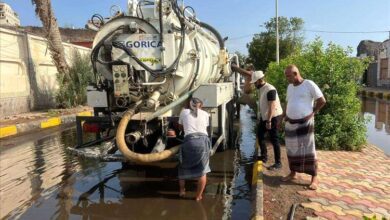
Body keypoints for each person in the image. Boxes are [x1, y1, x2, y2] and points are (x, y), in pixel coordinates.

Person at [282, 64, 326, 190]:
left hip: (305, 123)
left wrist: (314, 112)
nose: (287, 79)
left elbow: (322, 100)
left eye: (289, 76)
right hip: (290, 123)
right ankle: (293, 173)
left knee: (309, 150)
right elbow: (288, 102)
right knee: (291, 150)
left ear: (296, 74)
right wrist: (283, 116)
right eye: (286, 76)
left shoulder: (308, 84)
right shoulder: (290, 87)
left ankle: (314, 178)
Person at [244, 70, 284, 169]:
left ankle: (278, 163)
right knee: (260, 135)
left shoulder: (270, 89)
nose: (254, 84)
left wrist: (269, 120)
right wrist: (261, 117)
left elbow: (272, 106)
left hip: (273, 116)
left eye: (255, 82)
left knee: (274, 139)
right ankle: (264, 156)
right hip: (265, 116)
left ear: (260, 80)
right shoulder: (261, 88)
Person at [178, 97, 211, 201]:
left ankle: (182, 191)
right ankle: (198, 196)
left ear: (189, 104)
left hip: (189, 141)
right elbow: (205, 127)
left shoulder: (184, 112)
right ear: (200, 105)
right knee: (202, 170)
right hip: (202, 142)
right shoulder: (205, 114)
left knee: (183, 167)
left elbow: (180, 127)